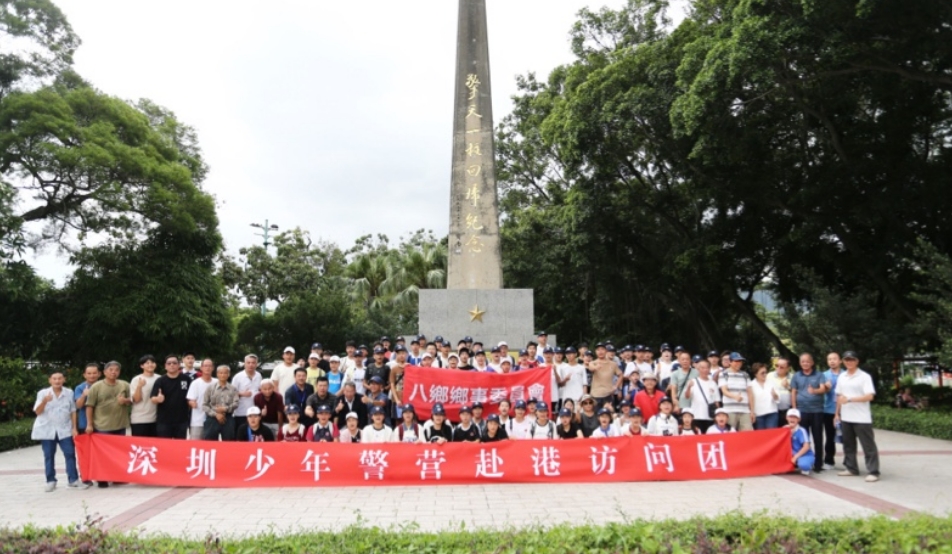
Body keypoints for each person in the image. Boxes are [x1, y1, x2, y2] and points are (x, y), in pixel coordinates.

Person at [32, 371, 83, 491]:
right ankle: (51, 481)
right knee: (49, 455)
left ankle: (73, 480)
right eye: (54, 378)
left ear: (64, 379)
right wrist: (44, 401)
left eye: (60, 378)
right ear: (50, 380)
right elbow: (37, 412)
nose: (57, 381)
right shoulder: (43, 393)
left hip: (65, 429)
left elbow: (73, 410)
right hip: (47, 429)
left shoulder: (69, 392)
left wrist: (74, 428)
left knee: (70, 454)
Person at [835, 351, 881, 482]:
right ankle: (851, 468)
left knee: (868, 445)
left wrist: (849, 399)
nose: (849, 362)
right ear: (843, 361)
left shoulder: (864, 377)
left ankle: (873, 471)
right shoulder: (842, 376)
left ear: (857, 361)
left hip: (862, 417)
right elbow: (839, 396)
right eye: (846, 360)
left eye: (852, 359)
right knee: (848, 445)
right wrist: (837, 413)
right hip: (846, 416)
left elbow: (869, 396)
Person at [791, 352, 830, 473]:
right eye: (803, 361)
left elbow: (823, 388)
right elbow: (793, 392)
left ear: (812, 362)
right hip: (802, 411)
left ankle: (818, 464)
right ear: (800, 363)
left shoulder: (819, 375)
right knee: (803, 439)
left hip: (817, 411)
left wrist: (815, 391)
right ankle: (803, 461)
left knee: (818, 437)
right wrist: (794, 409)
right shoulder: (796, 376)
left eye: (807, 361)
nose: (805, 364)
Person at [150, 354, 192, 439]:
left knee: (179, 448)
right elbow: (152, 398)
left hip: (182, 421)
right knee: (164, 448)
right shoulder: (160, 380)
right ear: (165, 366)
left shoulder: (186, 379)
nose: (172, 365)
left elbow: (192, 397)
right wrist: (158, 399)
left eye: (174, 363)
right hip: (164, 421)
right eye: (169, 363)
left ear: (179, 365)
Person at [719, 352, 755, 432]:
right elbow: (724, 390)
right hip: (730, 410)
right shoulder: (724, 374)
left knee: (747, 435)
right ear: (730, 362)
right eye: (736, 361)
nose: (738, 363)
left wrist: (752, 411)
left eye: (740, 361)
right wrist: (735, 397)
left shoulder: (745, 375)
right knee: (730, 435)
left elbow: (750, 393)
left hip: (745, 410)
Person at [202, 364, 239, 441]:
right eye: (221, 373)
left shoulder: (233, 389)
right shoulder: (210, 388)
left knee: (229, 442)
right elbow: (204, 405)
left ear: (228, 374)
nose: (223, 375)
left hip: (228, 418)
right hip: (212, 418)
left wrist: (225, 409)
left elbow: (236, 403)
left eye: (225, 373)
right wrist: (216, 414)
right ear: (217, 374)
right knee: (210, 443)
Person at [683, 359, 719, 433]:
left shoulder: (713, 383)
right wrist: (689, 387)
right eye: (702, 368)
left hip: (710, 417)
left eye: (707, 368)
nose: (705, 370)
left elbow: (717, 402)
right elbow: (687, 397)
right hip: (696, 416)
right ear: (698, 369)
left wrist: (716, 416)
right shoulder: (693, 381)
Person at [823, 351, 844, 469]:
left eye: (834, 359)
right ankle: (829, 460)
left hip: (845, 410)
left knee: (847, 436)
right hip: (828, 410)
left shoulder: (846, 374)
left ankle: (849, 461)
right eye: (829, 359)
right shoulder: (824, 375)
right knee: (830, 436)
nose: (832, 361)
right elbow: (820, 392)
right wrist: (826, 388)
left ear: (840, 361)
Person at [129, 355, 159, 437]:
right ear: (142, 366)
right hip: (139, 419)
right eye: (147, 363)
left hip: (156, 419)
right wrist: (139, 386)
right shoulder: (136, 379)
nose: (150, 365)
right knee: (140, 447)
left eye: (152, 362)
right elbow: (136, 400)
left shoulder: (159, 379)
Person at [185, 359, 215, 440]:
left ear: (213, 368)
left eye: (210, 366)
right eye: (205, 366)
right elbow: (190, 399)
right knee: (196, 445)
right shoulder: (195, 383)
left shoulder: (217, 382)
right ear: (201, 368)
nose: (208, 368)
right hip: (198, 421)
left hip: (213, 420)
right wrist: (192, 403)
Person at [233, 354, 263, 432]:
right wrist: (241, 394)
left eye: (253, 363)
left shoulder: (259, 376)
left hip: (255, 412)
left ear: (256, 364)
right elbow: (230, 393)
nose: (251, 365)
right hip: (241, 412)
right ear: (244, 363)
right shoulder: (238, 377)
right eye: (248, 362)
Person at [751, 362, 780, 430]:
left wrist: (775, 395)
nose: (764, 374)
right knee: (761, 437)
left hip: (771, 413)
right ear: (756, 374)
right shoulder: (751, 385)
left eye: (765, 372)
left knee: (771, 435)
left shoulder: (772, 382)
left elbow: (778, 398)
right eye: (762, 373)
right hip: (758, 414)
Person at [786, 408, 815, 476]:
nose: (792, 419)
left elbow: (806, 446)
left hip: (804, 454)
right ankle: (794, 465)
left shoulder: (802, 430)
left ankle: (807, 463)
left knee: (804, 465)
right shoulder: (784, 429)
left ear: (799, 419)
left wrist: (795, 457)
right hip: (790, 454)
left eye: (795, 417)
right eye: (790, 416)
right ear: (787, 418)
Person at [766, 357, 793, 423]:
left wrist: (788, 387)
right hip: (773, 411)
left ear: (788, 368)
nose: (778, 368)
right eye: (777, 365)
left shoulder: (793, 377)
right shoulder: (769, 376)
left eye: (781, 367)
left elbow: (797, 393)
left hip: (787, 411)